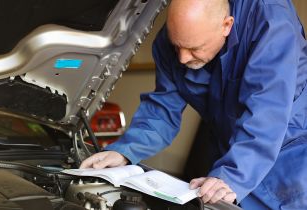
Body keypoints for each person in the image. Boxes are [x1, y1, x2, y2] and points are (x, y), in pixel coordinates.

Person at [81, 0, 307, 209]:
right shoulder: (173, 42)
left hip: (290, 163)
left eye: (194, 49)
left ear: (226, 26)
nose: (182, 58)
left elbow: (267, 113)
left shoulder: (272, 23)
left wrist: (231, 176)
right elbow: (162, 108)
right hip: (232, 155)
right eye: (177, 46)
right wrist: (123, 152)